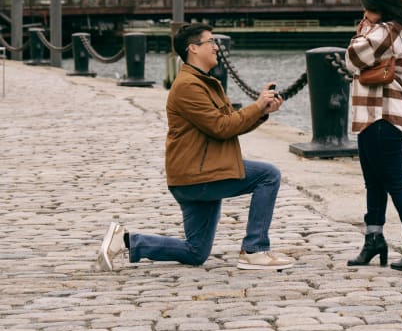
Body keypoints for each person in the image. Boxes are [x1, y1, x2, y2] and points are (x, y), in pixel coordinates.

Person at [97, 23, 293, 271]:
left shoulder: (204, 82)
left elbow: (230, 126)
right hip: (198, 175)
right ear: (193, 48)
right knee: (268, 176)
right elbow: (222, 127)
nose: (216, 46)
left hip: (197, 173)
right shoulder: (189, 86)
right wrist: (255, 106)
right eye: (210, 41)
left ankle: (125, 241)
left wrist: (261, 112)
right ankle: (254, 250)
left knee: (196, 252)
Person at [345, 0, 402, 271]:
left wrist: (362, 32)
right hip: (370, 114)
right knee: (374, 182)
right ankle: (374, 239)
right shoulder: (382, 30)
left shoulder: (390, 30)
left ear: (382, 8)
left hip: (385, 115)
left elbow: (353, 57)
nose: (364, 13)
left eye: (368, 8)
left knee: (394, 181)